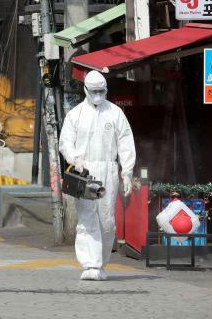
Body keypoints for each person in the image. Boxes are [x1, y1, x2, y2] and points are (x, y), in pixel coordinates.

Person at [59, 70, 136, 281]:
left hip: (108, 170)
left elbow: (125, 142)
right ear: (85, 90)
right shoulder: (75, 114)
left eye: (101, 91)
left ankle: (101, 263)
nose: (98, 95)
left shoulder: (115, 113)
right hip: (85, 172)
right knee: (86, 217)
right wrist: (75, 159)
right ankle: (90, 264)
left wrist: (127, 172)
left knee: (106, 219)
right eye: (94, 91)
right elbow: (65, 141)